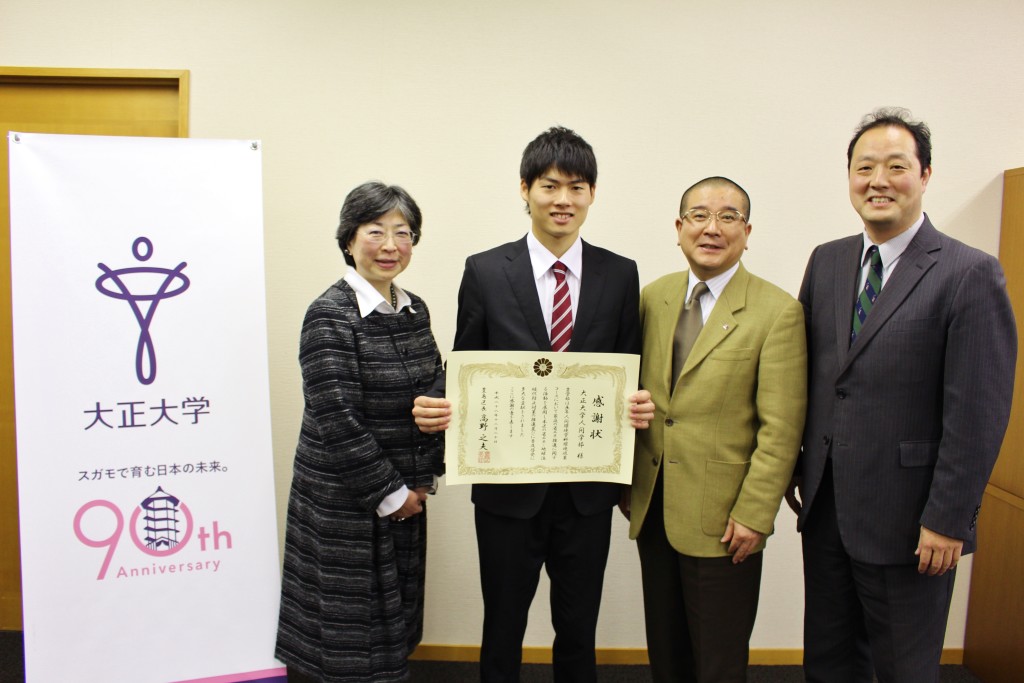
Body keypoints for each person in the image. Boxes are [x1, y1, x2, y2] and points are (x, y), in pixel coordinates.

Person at [412, 126, 654, 683]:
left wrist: (636, 406)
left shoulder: (620, 273)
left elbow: (629, 368)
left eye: (576, 187)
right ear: (525, 189)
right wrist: (442, 403)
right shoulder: (485, 270)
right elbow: (466, 365)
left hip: (587, 492)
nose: (563, 200)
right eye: (550, 185)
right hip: (507, 489)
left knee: (579, 628)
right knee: (502, 626)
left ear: (592, 194)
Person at [788, 108, 1017, 682]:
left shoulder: (969, 273)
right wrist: (796, 467)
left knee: (903, 669)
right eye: (864, 168)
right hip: (827, 507)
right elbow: (808, 377)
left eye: (896, 166)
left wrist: (949, 519)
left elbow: (979, 412)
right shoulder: (827, 260)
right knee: (828, 663)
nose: (878, 181)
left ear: (925, 175)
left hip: (912, 521)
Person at [621, 177, 807, 682]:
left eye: (728, 217)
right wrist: (626, 481)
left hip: (726, 519)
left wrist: (755, 514)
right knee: (666, 653)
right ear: (679, 228)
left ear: (747, 232)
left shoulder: (777, 311)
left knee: (718, 661)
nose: (712, 228)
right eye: (699, 215)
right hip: (654, 506)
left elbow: (782, 428)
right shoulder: (653, 297)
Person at [276, 181, 444, 683]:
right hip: (345, 500)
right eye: (376, 231)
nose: (390, 245)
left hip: (406, 493)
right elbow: (336, 418)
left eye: (403, 232)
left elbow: (433, 394)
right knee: (345, 637)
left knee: (391, 624)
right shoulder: (329, 314)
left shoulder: (414, 308)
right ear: (349, 240)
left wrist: (422, 480)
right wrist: (393, 493)